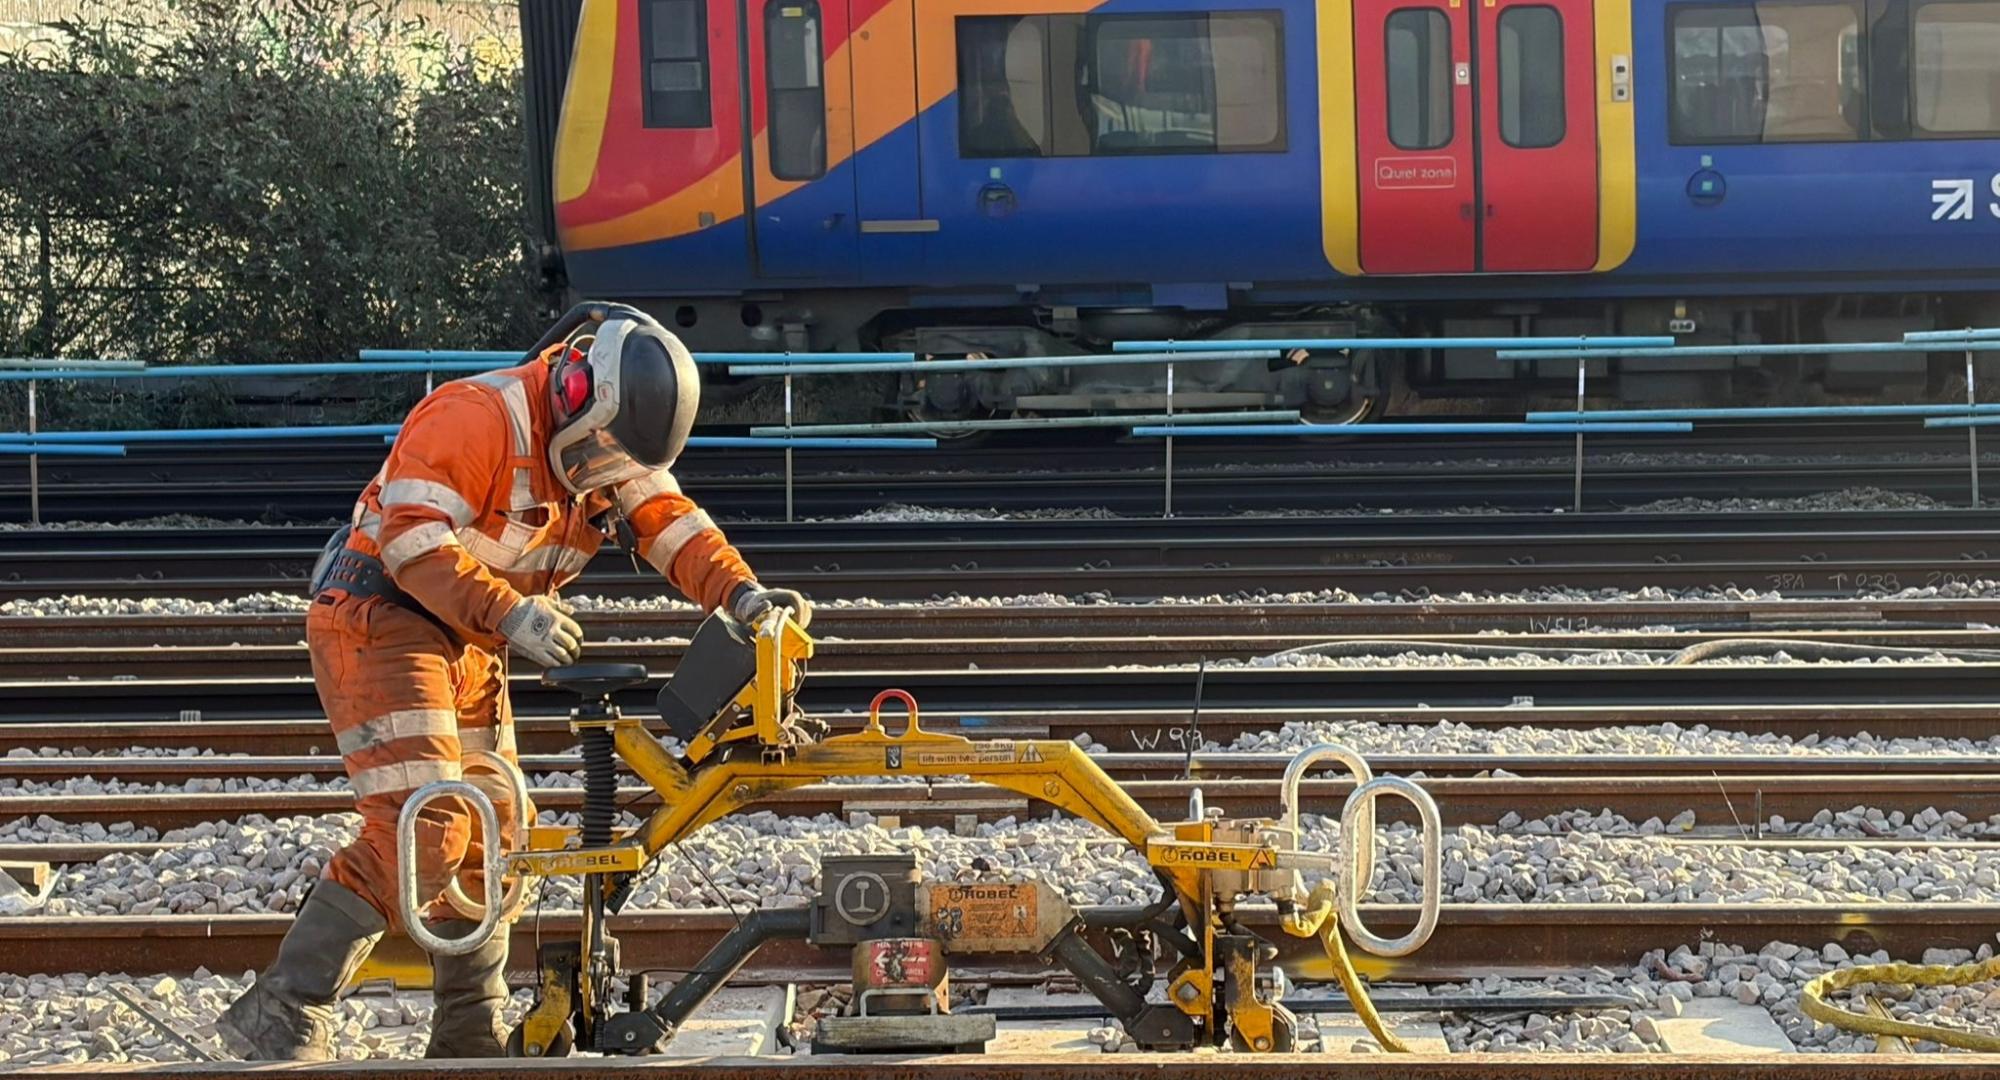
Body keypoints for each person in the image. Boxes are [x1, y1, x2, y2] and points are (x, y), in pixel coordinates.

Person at [217, 306, 810, 1060]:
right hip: (382, 619)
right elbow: (410, 541)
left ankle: (467, 1023)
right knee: (427, 828)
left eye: (614, 466)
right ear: (572, 390)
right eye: (596, 454)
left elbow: (670, 521)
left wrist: (743, 595)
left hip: (468, 639)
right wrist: (510, 611)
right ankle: (286, 1010)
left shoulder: (607, 441)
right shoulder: (475, 417)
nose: (599, 476)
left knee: (495, 829)